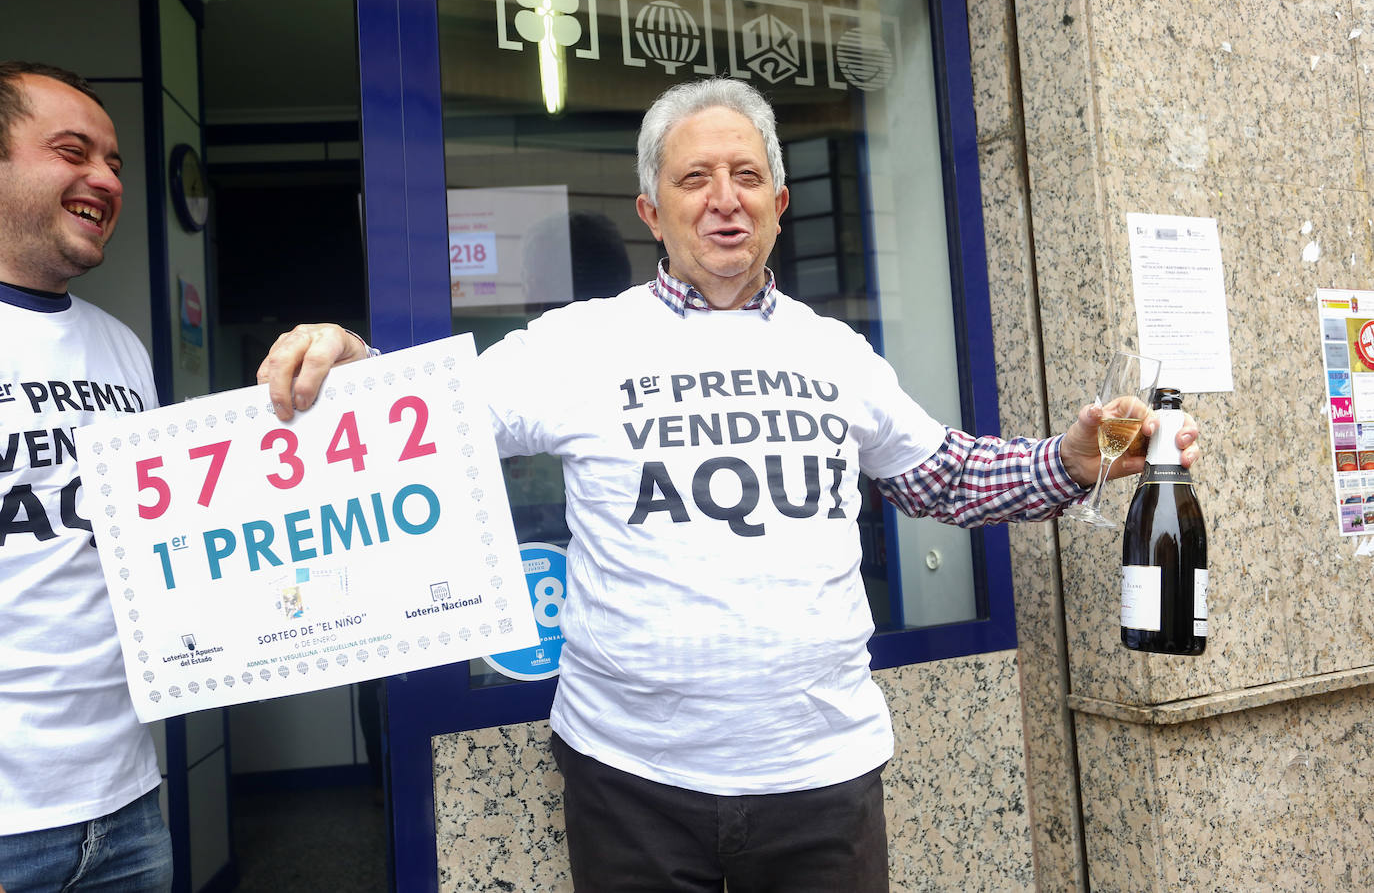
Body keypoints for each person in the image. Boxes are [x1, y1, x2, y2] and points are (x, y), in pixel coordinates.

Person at [261, 77, 1202, 892]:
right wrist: (352, 361)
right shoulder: (579, 344)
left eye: (747, 176)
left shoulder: (837, 353)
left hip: (821, 779)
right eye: (694, 178)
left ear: (781, 202)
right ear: (651, 210)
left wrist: (1073, 462)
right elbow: (427, 424)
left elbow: (944, 476)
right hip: (629, 780)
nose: (725, 200)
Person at [0, 61, 357, 893]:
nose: (104, 179)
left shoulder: (120, 347)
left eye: (116, 162)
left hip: (123, 808)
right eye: (72, 151)